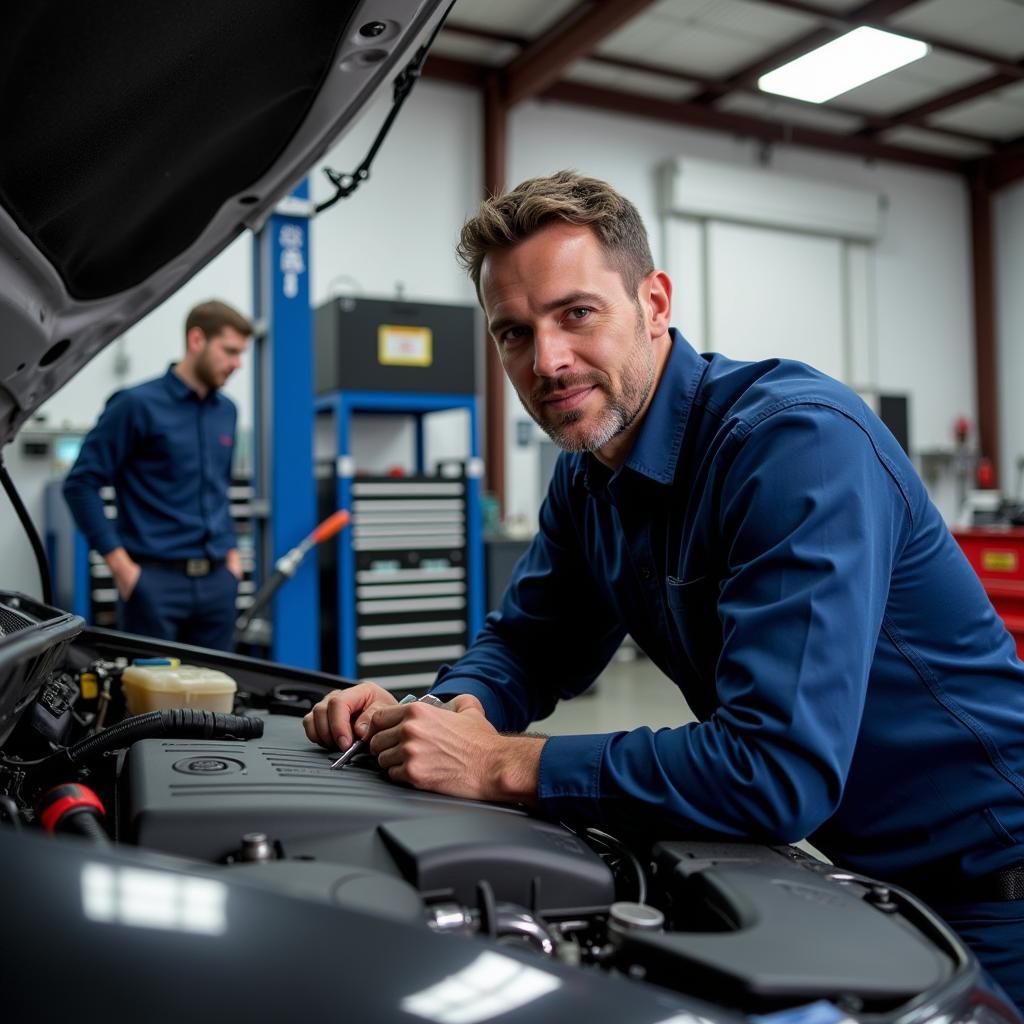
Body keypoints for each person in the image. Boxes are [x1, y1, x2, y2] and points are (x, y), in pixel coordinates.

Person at [304, 171, 1024, 1004]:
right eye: (512, 332)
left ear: (654, 302)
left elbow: (773, 769)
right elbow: (527, 645)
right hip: (876, 883)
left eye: (577, 313)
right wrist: (447, 712)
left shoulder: (794, 447)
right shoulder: (587, 479)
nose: (547, 361)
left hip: (996, 888)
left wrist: (504, 763)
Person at [64, 300, 252, 651]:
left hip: (217, 585)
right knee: (152, 700)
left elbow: (220, 488)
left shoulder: (227, 412)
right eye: (229, 351)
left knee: (217, 699)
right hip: (153, 584)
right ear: (197, 340)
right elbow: (80, 484)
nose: (238, 364)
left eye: (241, 354)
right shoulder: (135, 405)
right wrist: (122, 568)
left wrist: (232, 559)